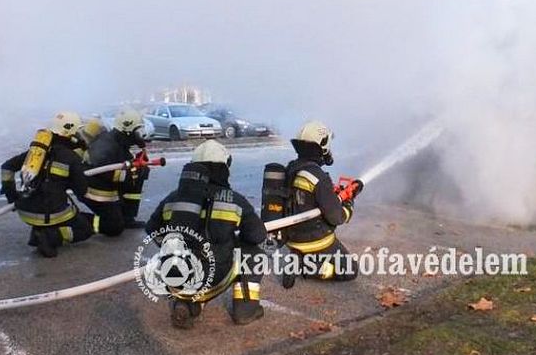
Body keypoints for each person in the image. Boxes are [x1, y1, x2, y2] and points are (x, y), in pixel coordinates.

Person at [146, 140, 267, 329]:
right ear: (224, 167)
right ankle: (246, 309)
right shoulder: (233, 200)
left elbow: (151, 228)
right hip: (212, 276)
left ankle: (185, 304)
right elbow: (257, 235)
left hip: (177, 276)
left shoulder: (174, 197)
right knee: (255, 253)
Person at [0, 111, 95, 258]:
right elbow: (82, 191)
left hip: (26, 210)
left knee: (54, 204)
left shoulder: (36, 152)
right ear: (71, 133)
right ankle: (51, 236)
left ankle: (40, 231)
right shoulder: (71, 157)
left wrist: (10, 193)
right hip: (51, 213)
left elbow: (7, 166)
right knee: (86, 228)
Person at [282, 121, 360, 287]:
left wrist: (333, 193)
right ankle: (305, 267)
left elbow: (306, 197)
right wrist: (349, 202)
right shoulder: (318, 176)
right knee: (350, 270)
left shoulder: (292, 168)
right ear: (322, 145)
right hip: (316, 240)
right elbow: (337, 217)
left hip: (291, 238)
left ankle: (302, 258)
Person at [82, 109, 148, 235]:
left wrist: (138, 170)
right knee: (114, 227)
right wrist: (133, 174)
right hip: (95, 192)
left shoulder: (120, 142)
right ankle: (75, 221)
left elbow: (125, 168)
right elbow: (105, 172)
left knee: (140, 174)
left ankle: (127, 217)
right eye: (137, 130)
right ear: (127, 131)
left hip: (107, 189)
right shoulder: (106, 145)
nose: (140, 134)